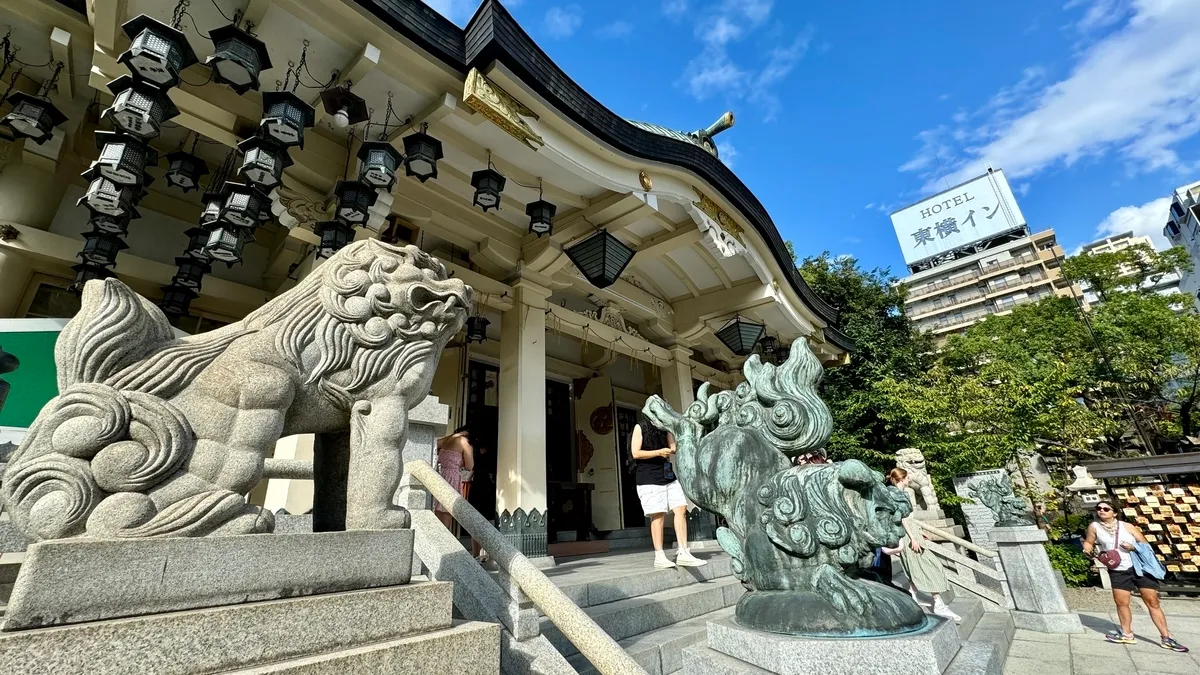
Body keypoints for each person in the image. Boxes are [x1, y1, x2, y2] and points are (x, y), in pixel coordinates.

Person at [1083, 500, 1188, 652]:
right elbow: (1089, 542)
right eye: (1099, 508)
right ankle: (1127, 634)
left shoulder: (1127, 526)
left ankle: (1167, 637)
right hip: (1117, 568)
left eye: (1106, 509)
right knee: (1121, 602)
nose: (1102, 511)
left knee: (1152, 601)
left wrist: (1133, 547)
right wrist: (1087, 550)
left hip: (1139, 567)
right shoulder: (1094, 527)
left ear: (1115, 512)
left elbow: (1146, 545)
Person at [630, 411, 706, 569]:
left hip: (667, 474)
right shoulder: (641, 427)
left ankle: (683, 551)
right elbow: (636, 453)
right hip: (648, 476)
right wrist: (658, 452)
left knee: (681, 507)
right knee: (658, 514)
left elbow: (673, 446)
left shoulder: (666, 429)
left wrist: (673, 447)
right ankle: (659, 555)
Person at [884, 468, 961, 622]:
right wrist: (913, 537)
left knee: (914, 564)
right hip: (907, 534)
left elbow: (909, 518)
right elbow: (902, 518)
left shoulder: (900, 493)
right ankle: (938, 602)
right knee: (930, 565)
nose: (909, 480)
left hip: (911, 531)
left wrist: (918, 531)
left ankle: (912, 594)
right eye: (907, 477)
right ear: (902, 478)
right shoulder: (894, 494)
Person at [434, 426, 475, 534]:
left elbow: (435, 443)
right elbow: (470, 466)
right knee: (448, 510)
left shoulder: (447, 439)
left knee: (438, 509)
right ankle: (444, 537)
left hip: (440, 474)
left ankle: (437, 534)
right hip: (452, 476)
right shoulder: (464, 442)